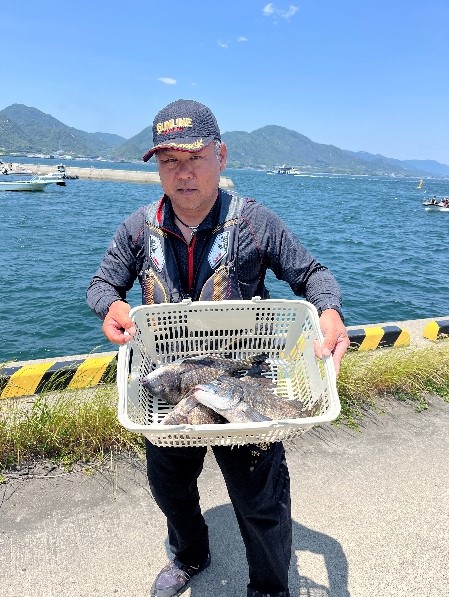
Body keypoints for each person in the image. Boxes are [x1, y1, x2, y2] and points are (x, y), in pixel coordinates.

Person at [86, 99, 350, 597]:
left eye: (195, 158)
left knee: (261, 501)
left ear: (221, 156)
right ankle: (190, 555)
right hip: (170, 383)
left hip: (242, 383)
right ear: (157, 168)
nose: (183, 173)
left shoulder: (255, 223)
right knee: (171, 489)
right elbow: (102, 284)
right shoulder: (138, 228)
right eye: (169, 161)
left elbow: (313, 275)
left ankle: (269, 587)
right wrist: (111, 307)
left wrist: (329, 311)